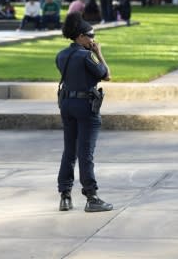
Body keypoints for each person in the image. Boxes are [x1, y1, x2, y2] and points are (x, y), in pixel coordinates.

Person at [56, 12, 113, 213]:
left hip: (67, 104)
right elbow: (107, 75)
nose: (93, 39)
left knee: (69, 151)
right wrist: (99, 53)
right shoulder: (87, 55)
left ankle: (65, 195)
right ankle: (91, 196)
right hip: (86, 107)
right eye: (90, 36)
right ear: (80, 36)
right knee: (85, 153)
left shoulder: (61, 55)